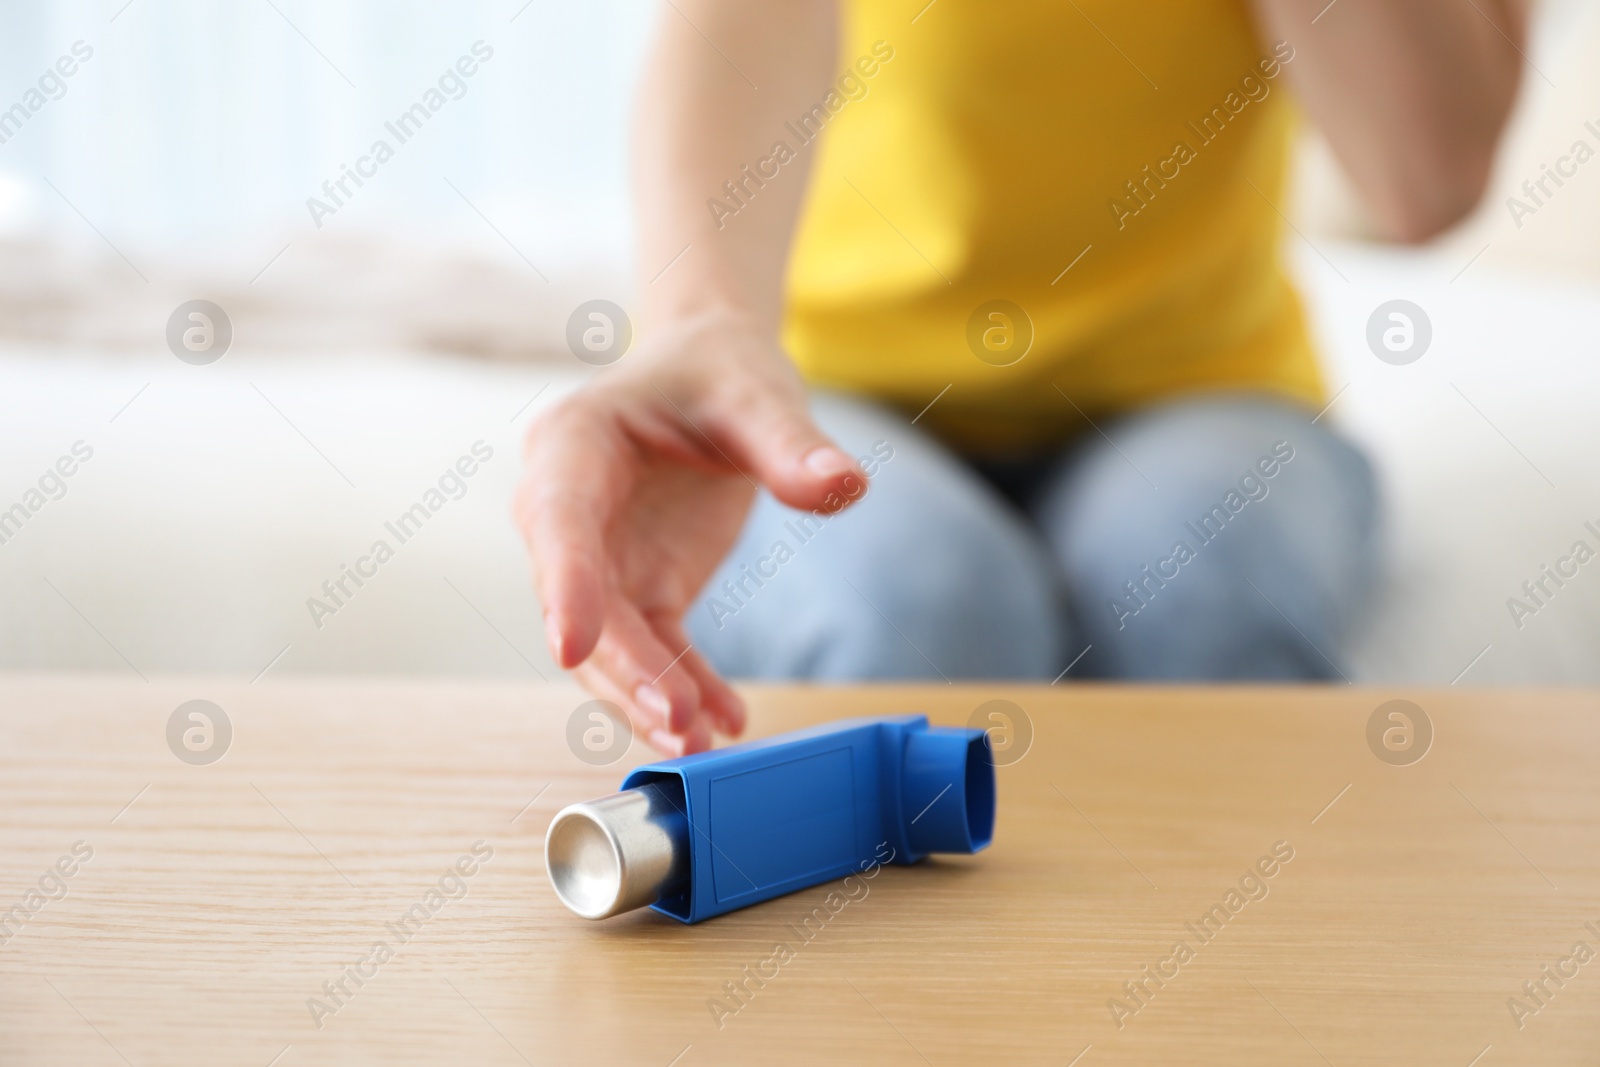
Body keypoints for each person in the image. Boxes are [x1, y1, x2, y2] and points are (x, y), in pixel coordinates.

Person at [516, 0, 1525, 755]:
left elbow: (1424, 178)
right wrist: (700, 328)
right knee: (919, 615)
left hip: (1197, 384)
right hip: (833, 384)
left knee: (1202, 597)